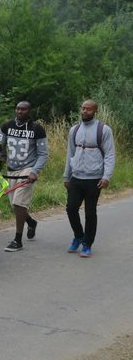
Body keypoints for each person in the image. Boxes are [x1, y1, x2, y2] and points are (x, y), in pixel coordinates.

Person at [63, 100, 115, 258]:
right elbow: (70, 153)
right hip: (76, 177)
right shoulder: (74, 130)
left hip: (94, 178)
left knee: (90, 212)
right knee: (71, 208)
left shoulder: (103, 130)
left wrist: (106, 176)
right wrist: (67, 175)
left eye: (88, 109)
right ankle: (78, 235)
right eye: (83, 108)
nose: (84, 111)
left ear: (95, 111)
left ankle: (87, 244)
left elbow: (110, 154)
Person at [0, 101, 49, 252]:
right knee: (15, 205)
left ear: (29, 111)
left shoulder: (37, 129)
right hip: (11, 169)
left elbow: (43, 154)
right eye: (18, 108)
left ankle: (17, 240)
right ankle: (31, 222)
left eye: (24, 109)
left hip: (27, 169)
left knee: (19, 203)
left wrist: (34, 171)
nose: (20, 111)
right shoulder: (7, 126)